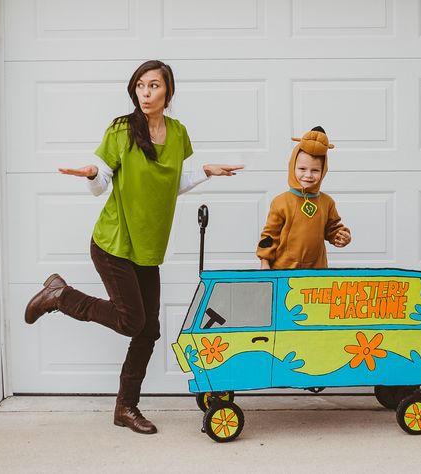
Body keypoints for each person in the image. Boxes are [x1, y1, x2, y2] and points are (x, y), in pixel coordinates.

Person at [24, 60, 242, 435]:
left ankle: (126, 409)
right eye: (140, 85)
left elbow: (171, 180)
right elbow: (102, 174)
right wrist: (92, 174)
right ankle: (60, 296)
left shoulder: (177, 133)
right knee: (132, 322)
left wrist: (206, 171)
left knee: (148, 330)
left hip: (147, 247)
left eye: (154, 85)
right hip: (114, 243)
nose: (145, 92)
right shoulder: (121, 129)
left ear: (167, 92)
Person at [257, 126, 351, 269]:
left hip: (316, 271)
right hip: (283, 270)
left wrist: (341, 236)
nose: (308, 175)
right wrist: (265, 263)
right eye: (302, 169)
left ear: (323, 171)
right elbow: (270, 235)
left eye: (315, 170)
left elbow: (333, 228)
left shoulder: (327, 202)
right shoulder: (280, 202)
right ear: (292, 167)